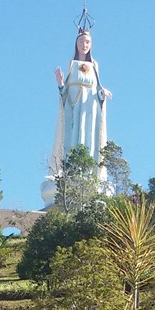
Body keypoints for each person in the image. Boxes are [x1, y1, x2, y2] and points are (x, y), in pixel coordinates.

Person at [43, 28, 112, 206]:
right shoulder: (71, 65)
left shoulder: (94, 66)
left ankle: (89, 174)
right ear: (76, 44)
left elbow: (98, 89)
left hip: (90, 109)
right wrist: (60, 83)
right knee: (72, 140)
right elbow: (64, 92)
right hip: (73, 109)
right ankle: (69, 172)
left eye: (88, 42)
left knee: (89, 140)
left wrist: (104, 93)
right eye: (82, 42)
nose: (84, 45)